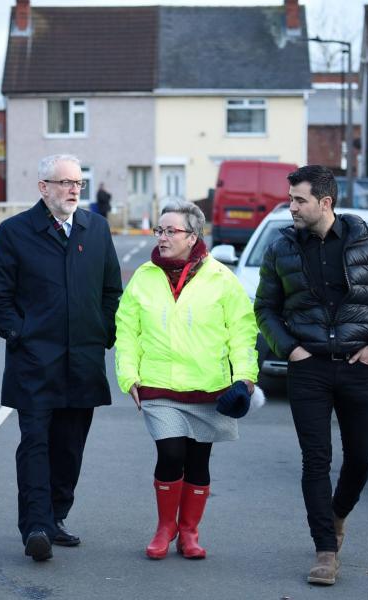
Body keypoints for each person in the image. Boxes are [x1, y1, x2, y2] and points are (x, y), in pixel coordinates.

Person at [254, 165, 368, 585]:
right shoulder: (280, 246)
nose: (291, 207)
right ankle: (325, 550)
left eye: (299, 200)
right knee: (315, 460)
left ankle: (337, 514)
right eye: (290, 199)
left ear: (325, 202)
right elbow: (264, 306)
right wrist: (291, 349)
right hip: (309, 369)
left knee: (361, 457)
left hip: (359, 366)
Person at [0, 154, 122, 562]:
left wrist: (103, 333)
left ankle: (56, 516)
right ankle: (36, 527)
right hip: (34, 365)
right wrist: (21, 336)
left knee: (70, 448)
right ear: (43, 187)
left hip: (83, 361)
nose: (73, 190)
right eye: (64, 183)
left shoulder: (95, 228)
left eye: (78, 182)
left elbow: (112, 291)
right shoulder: (14, 232)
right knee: (36, 445)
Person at [115, 201, 259, 560]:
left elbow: (242, 330)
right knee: (170, 453)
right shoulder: (144, 277)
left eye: (170, 231)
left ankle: (189, 533)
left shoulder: (221, 278)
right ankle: (165, 528)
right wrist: (128, 375)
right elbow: (126, 329)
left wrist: (244, 377)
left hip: (208, 387)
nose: (162, 237)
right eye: (159, 231)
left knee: (198, 462)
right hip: (158, 385)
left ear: (192, 236)